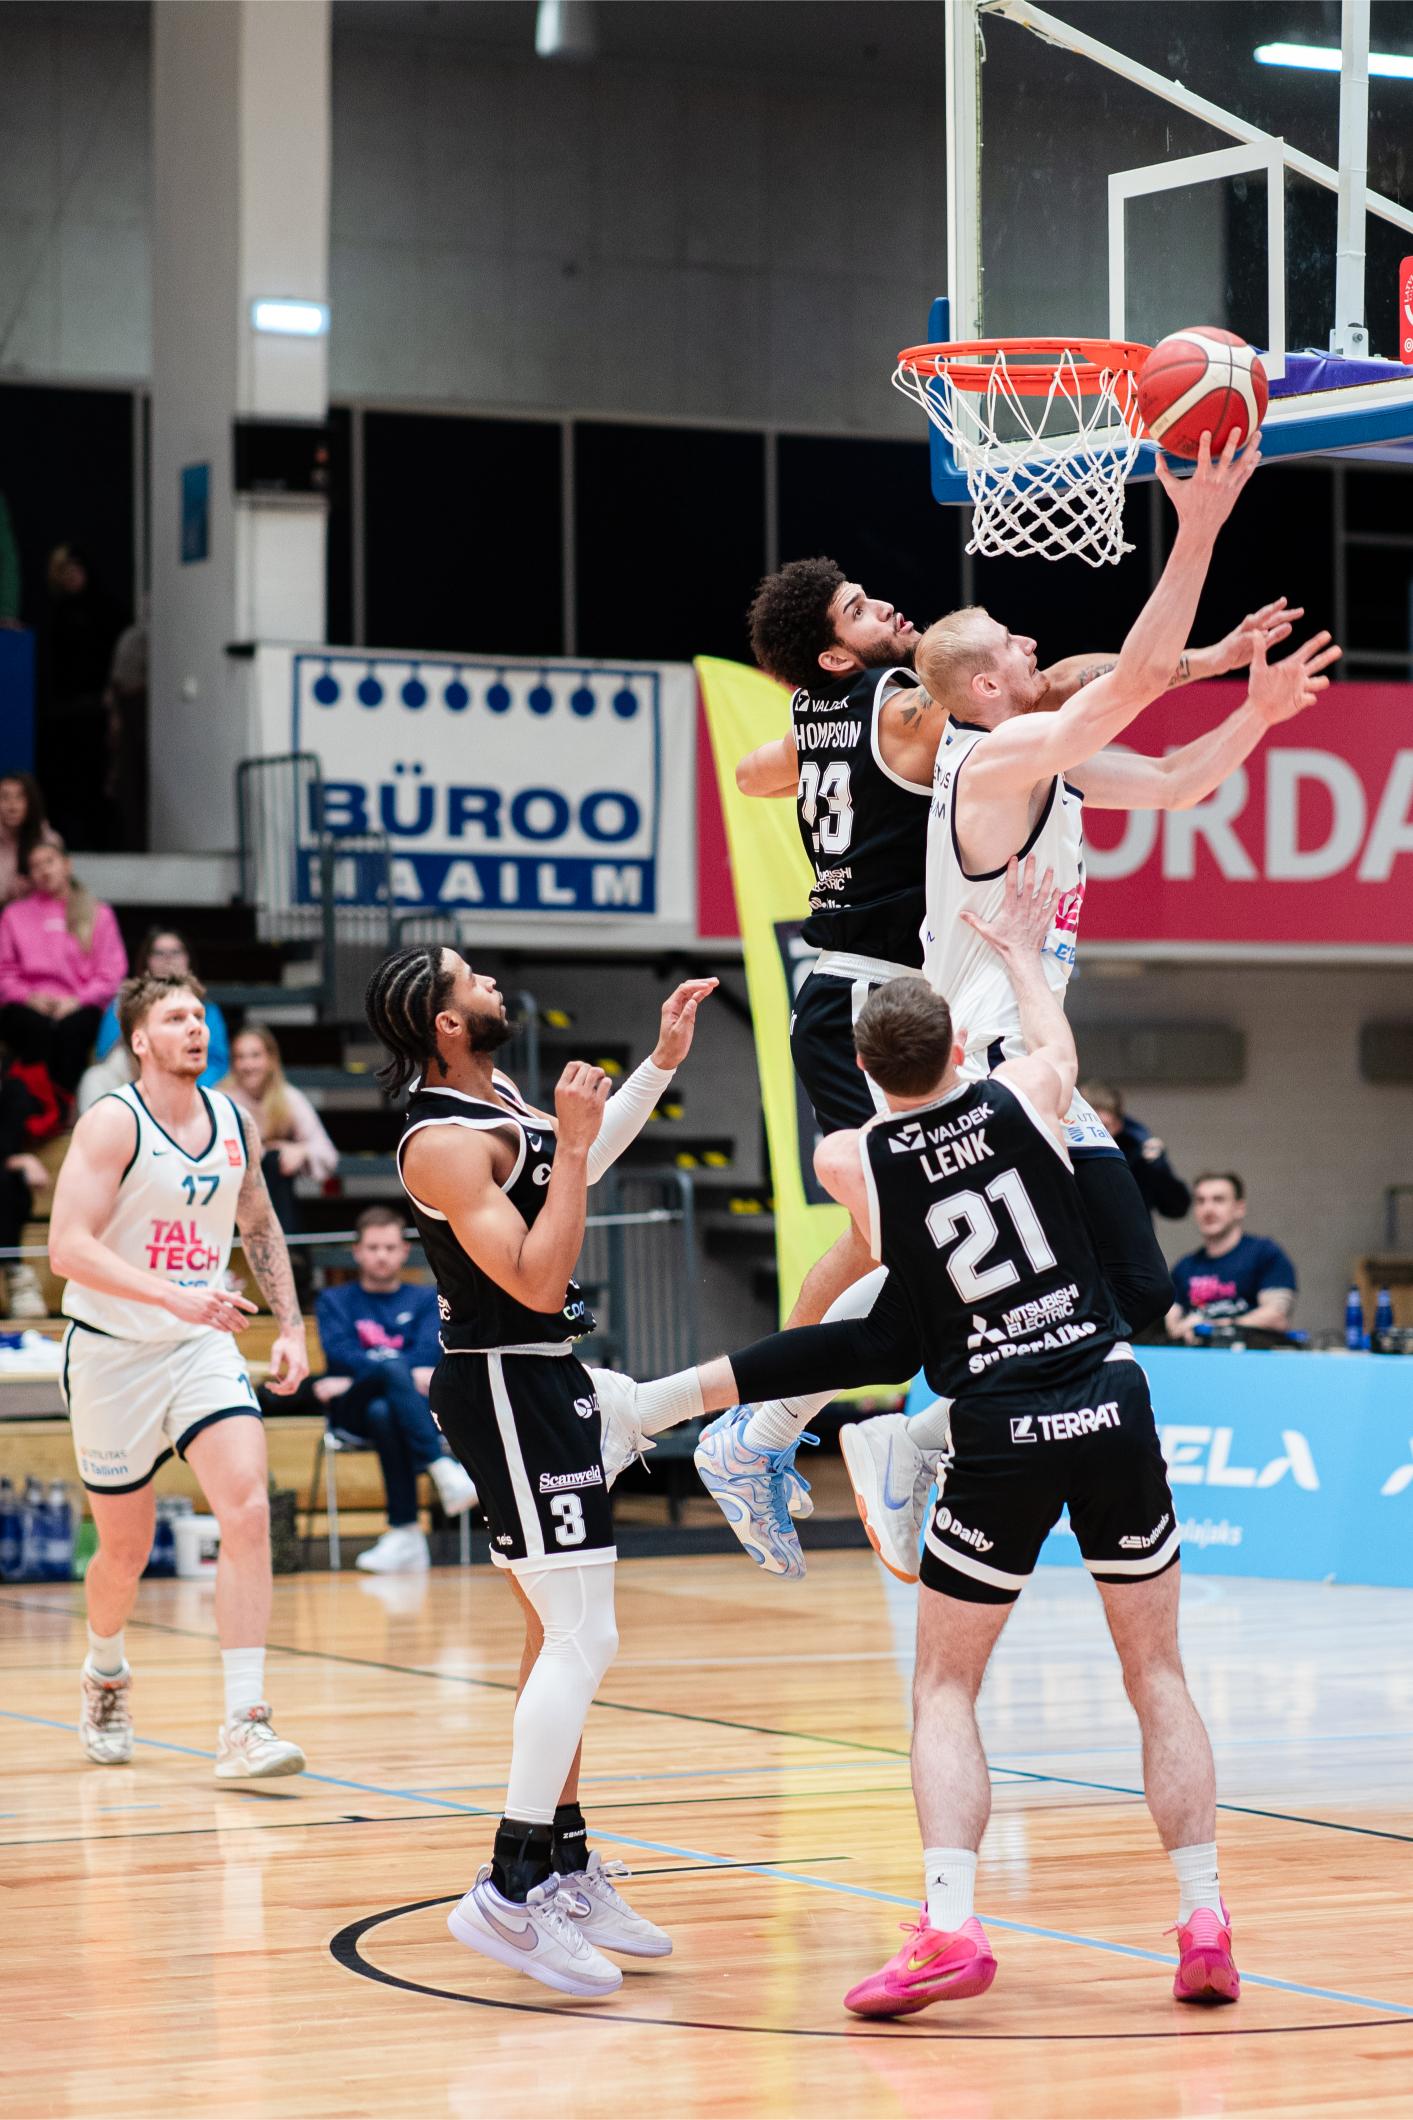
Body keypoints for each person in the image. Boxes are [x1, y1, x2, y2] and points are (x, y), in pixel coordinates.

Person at [602, 863, 1240, 2012]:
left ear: (861, 1069)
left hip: (999, 1417)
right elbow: (1052, 1044)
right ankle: (1204, 1919)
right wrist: (1020, 955)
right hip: (1108, 1394)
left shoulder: (852, 1160)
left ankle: (951, 1922)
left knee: (945, 1686)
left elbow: (890, 1301)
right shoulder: (1028, 1095)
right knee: (1158, 1673)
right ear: (960, 1047)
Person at [699, 435, 1338, 1575]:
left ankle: (846, 1432)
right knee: (904, 1257)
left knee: (1039, 1272)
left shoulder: (869, 715)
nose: (886, 605)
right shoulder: (922, 717)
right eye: (860, 608)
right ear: (841, 653)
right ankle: (763, 1428)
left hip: (916, 1004)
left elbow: (757, 773)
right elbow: (1100, 683)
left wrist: (1238, 692)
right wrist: (1199, 570)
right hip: (907, 1013)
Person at [364, 942, 715, 1998]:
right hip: (505, 1384)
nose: (490, 983)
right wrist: (565, 1139)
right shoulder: (439, 1142)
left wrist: (659, 1063)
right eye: (469, 978)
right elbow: (534, 1277)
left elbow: (580, 1167)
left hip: (543, 1378)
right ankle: (511, 1887)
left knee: (553, 1635)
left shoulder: (498, 1097)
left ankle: (564, 1861)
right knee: (582, 1635)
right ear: (445, 1023)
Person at [47, 969, 310, 1778]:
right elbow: (66, 1248)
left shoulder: (234, 1120)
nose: (195, 1028)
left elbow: (258, 1221)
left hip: (199, 1346)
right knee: (124, 1552)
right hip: (111, 1353)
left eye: (200, 1016)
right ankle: (105, 1670)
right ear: (139, 1039)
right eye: (175, 1018)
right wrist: (173, 1294)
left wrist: (291, 1326)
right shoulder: (111, 1122)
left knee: (249, 1509)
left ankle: (244, 1721)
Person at [313, 1204, 478, 1573]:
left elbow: (428, 1351)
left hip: (401, 1408)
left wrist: (373, 1370)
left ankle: (406, 1535)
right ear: (357, 1252)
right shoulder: (334, 1300)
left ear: (404, 1251)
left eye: (389, 1247)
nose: (381, 1256)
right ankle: (441, 1467)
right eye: (373, 1248)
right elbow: (339, 1353)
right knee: (388, 1377)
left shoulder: (426, 1298)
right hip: (351, 1408)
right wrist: (393, 1369)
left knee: (384, 1412)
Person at [0, 837, 127, 1095]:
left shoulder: (98, 913)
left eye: (50, 861)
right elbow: (4, 971)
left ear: (67, 865)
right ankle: (35, 1102)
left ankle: (64, 1102)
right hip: (29, 1004)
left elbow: (111, 972)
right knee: (34, 1029)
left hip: (80, 1004)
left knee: (73, 1030)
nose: (44, 870)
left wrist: (77, 1000)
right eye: (35, 866)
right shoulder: (14, 914)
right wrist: (29, 997)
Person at [80, 928, 230, 1111]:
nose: (168, 959)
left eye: (175, 952)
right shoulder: (122, 1004)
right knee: (94, 1078)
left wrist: (183, 1083)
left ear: (188, 959)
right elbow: (104, 1057)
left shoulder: (206, 1007)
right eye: (159, 953)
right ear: (146, 960)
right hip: (133, 1081)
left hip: (189, 1083)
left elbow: (218, 1063)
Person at [222, 1024, 338, 1235]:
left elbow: (327, 1154)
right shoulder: (220, 1100)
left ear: (271, 1059)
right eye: (240, 1057)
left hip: (278, 1201)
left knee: (274, 1161)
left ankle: (286, 1246)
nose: (248, 1065)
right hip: (231, 1198)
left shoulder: (288, 1098)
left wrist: (300, 1151)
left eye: (255, 1055)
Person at [1166, 1174, 1297, 1342]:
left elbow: (1276, 1317)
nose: (1208, 1209)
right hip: (1196, 1353)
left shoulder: (1264, 1253)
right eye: (1200, 1201)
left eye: (1218, 1200)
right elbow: (1171, 1323)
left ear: (1239, 1208)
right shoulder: (1185, 1266)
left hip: (1249, 1353)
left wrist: (1213, 1326)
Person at [1081, 1079, 1191, 1221]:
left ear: (1118, 1125)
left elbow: (1176, 1208)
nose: (1095, 1134)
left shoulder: (1138, 1156)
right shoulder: (1064, 1153)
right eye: (1089, 1126)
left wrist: (1159, 1167)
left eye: (1104, 1127)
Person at [0, 772, 60, 903]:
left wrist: (34, 886)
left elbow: (62, 888)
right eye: (5, 797)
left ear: (31, 802)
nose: (12, 805)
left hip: (39, 911)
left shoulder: (48, 840)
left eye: (20, 797)